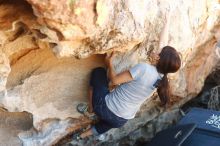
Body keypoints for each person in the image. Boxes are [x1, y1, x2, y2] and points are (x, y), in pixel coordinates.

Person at [76, 10, 181, 139]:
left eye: (159, 51)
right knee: (109, 122)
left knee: (98, 73)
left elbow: (114, 80)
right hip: (122, 120)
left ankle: (91, 109)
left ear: (159, 59)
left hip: (104, 108)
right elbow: (163, 44)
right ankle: (81, 136)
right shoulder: (162, 80)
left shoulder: (144, 69)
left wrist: (109, 63)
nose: (156, 50)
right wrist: (168, 19)